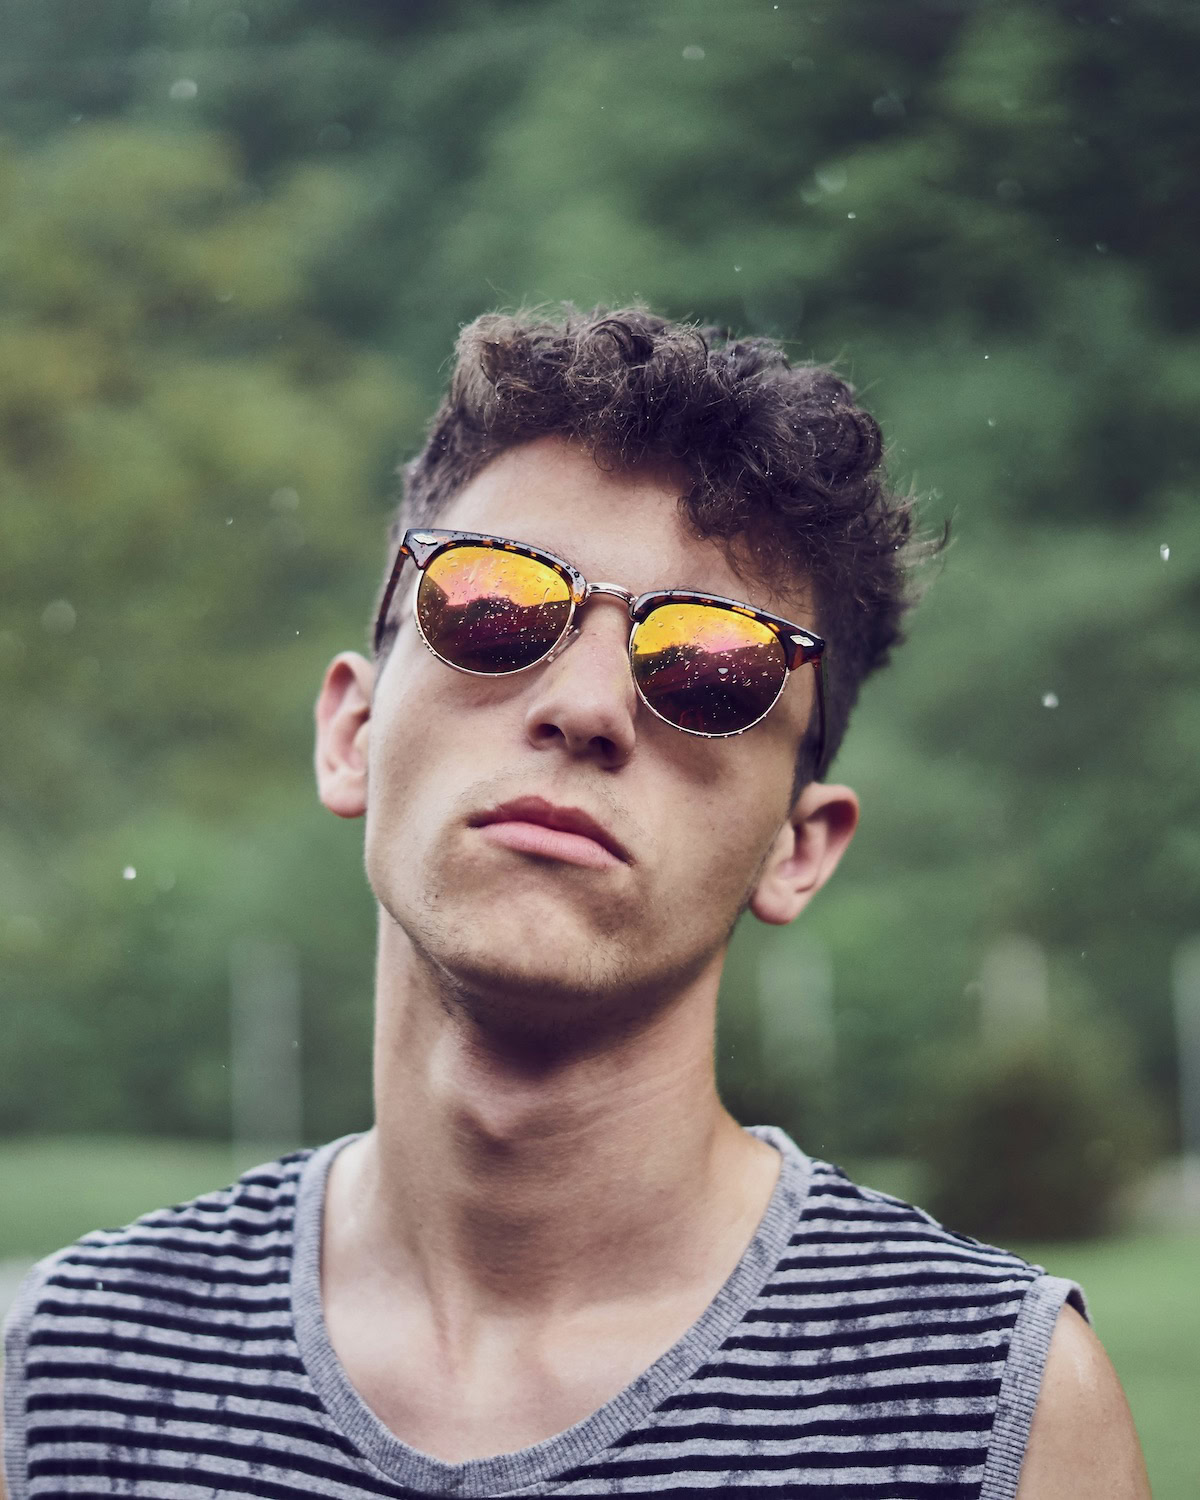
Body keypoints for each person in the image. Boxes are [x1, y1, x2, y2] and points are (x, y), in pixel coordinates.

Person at [2, 307, 1149, 1499]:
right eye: (494, 604)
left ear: (797, 850)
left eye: (712, 665)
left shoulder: (993, 1412)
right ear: (351, 732)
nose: (588, 707)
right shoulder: (70, 1378)